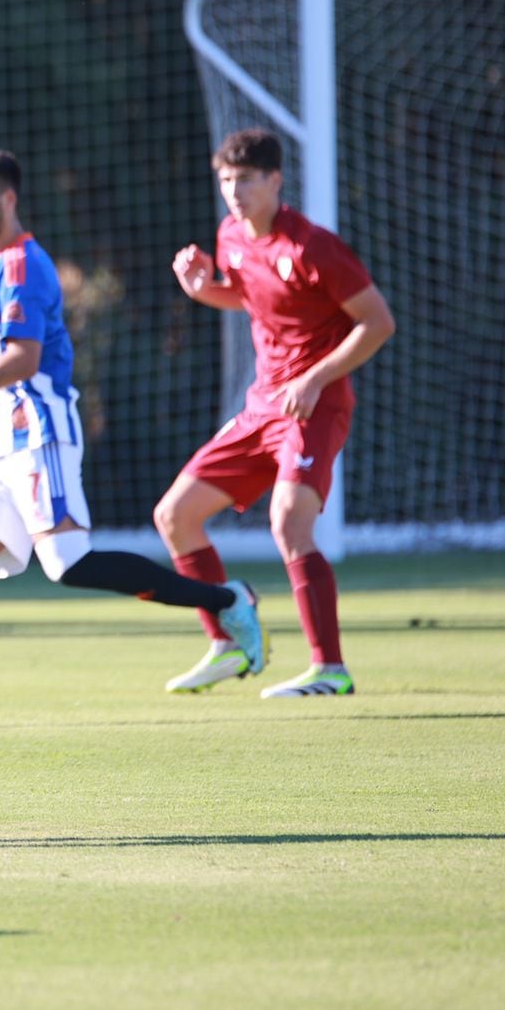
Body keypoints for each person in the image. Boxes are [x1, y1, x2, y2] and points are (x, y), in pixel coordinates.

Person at [0, 151, 266, 727]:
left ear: (9, 198)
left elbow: (24, 359)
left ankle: (228, 600)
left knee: (68, 562)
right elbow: (1, 364)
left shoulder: (23, 265)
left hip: (39, 437)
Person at [156, 128, 396, 698]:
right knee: (175, 516)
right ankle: (226, 643)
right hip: (263, 404)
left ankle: (329, 669)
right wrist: (201, 290)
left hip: (316, 402)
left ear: (275, 181)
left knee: (289, 522)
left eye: (245, 180)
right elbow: (247, 296)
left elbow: (378, 323)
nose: (234, 192)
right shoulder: (231, 237)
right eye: (226, 181)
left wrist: (315, 378)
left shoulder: (313, 246)